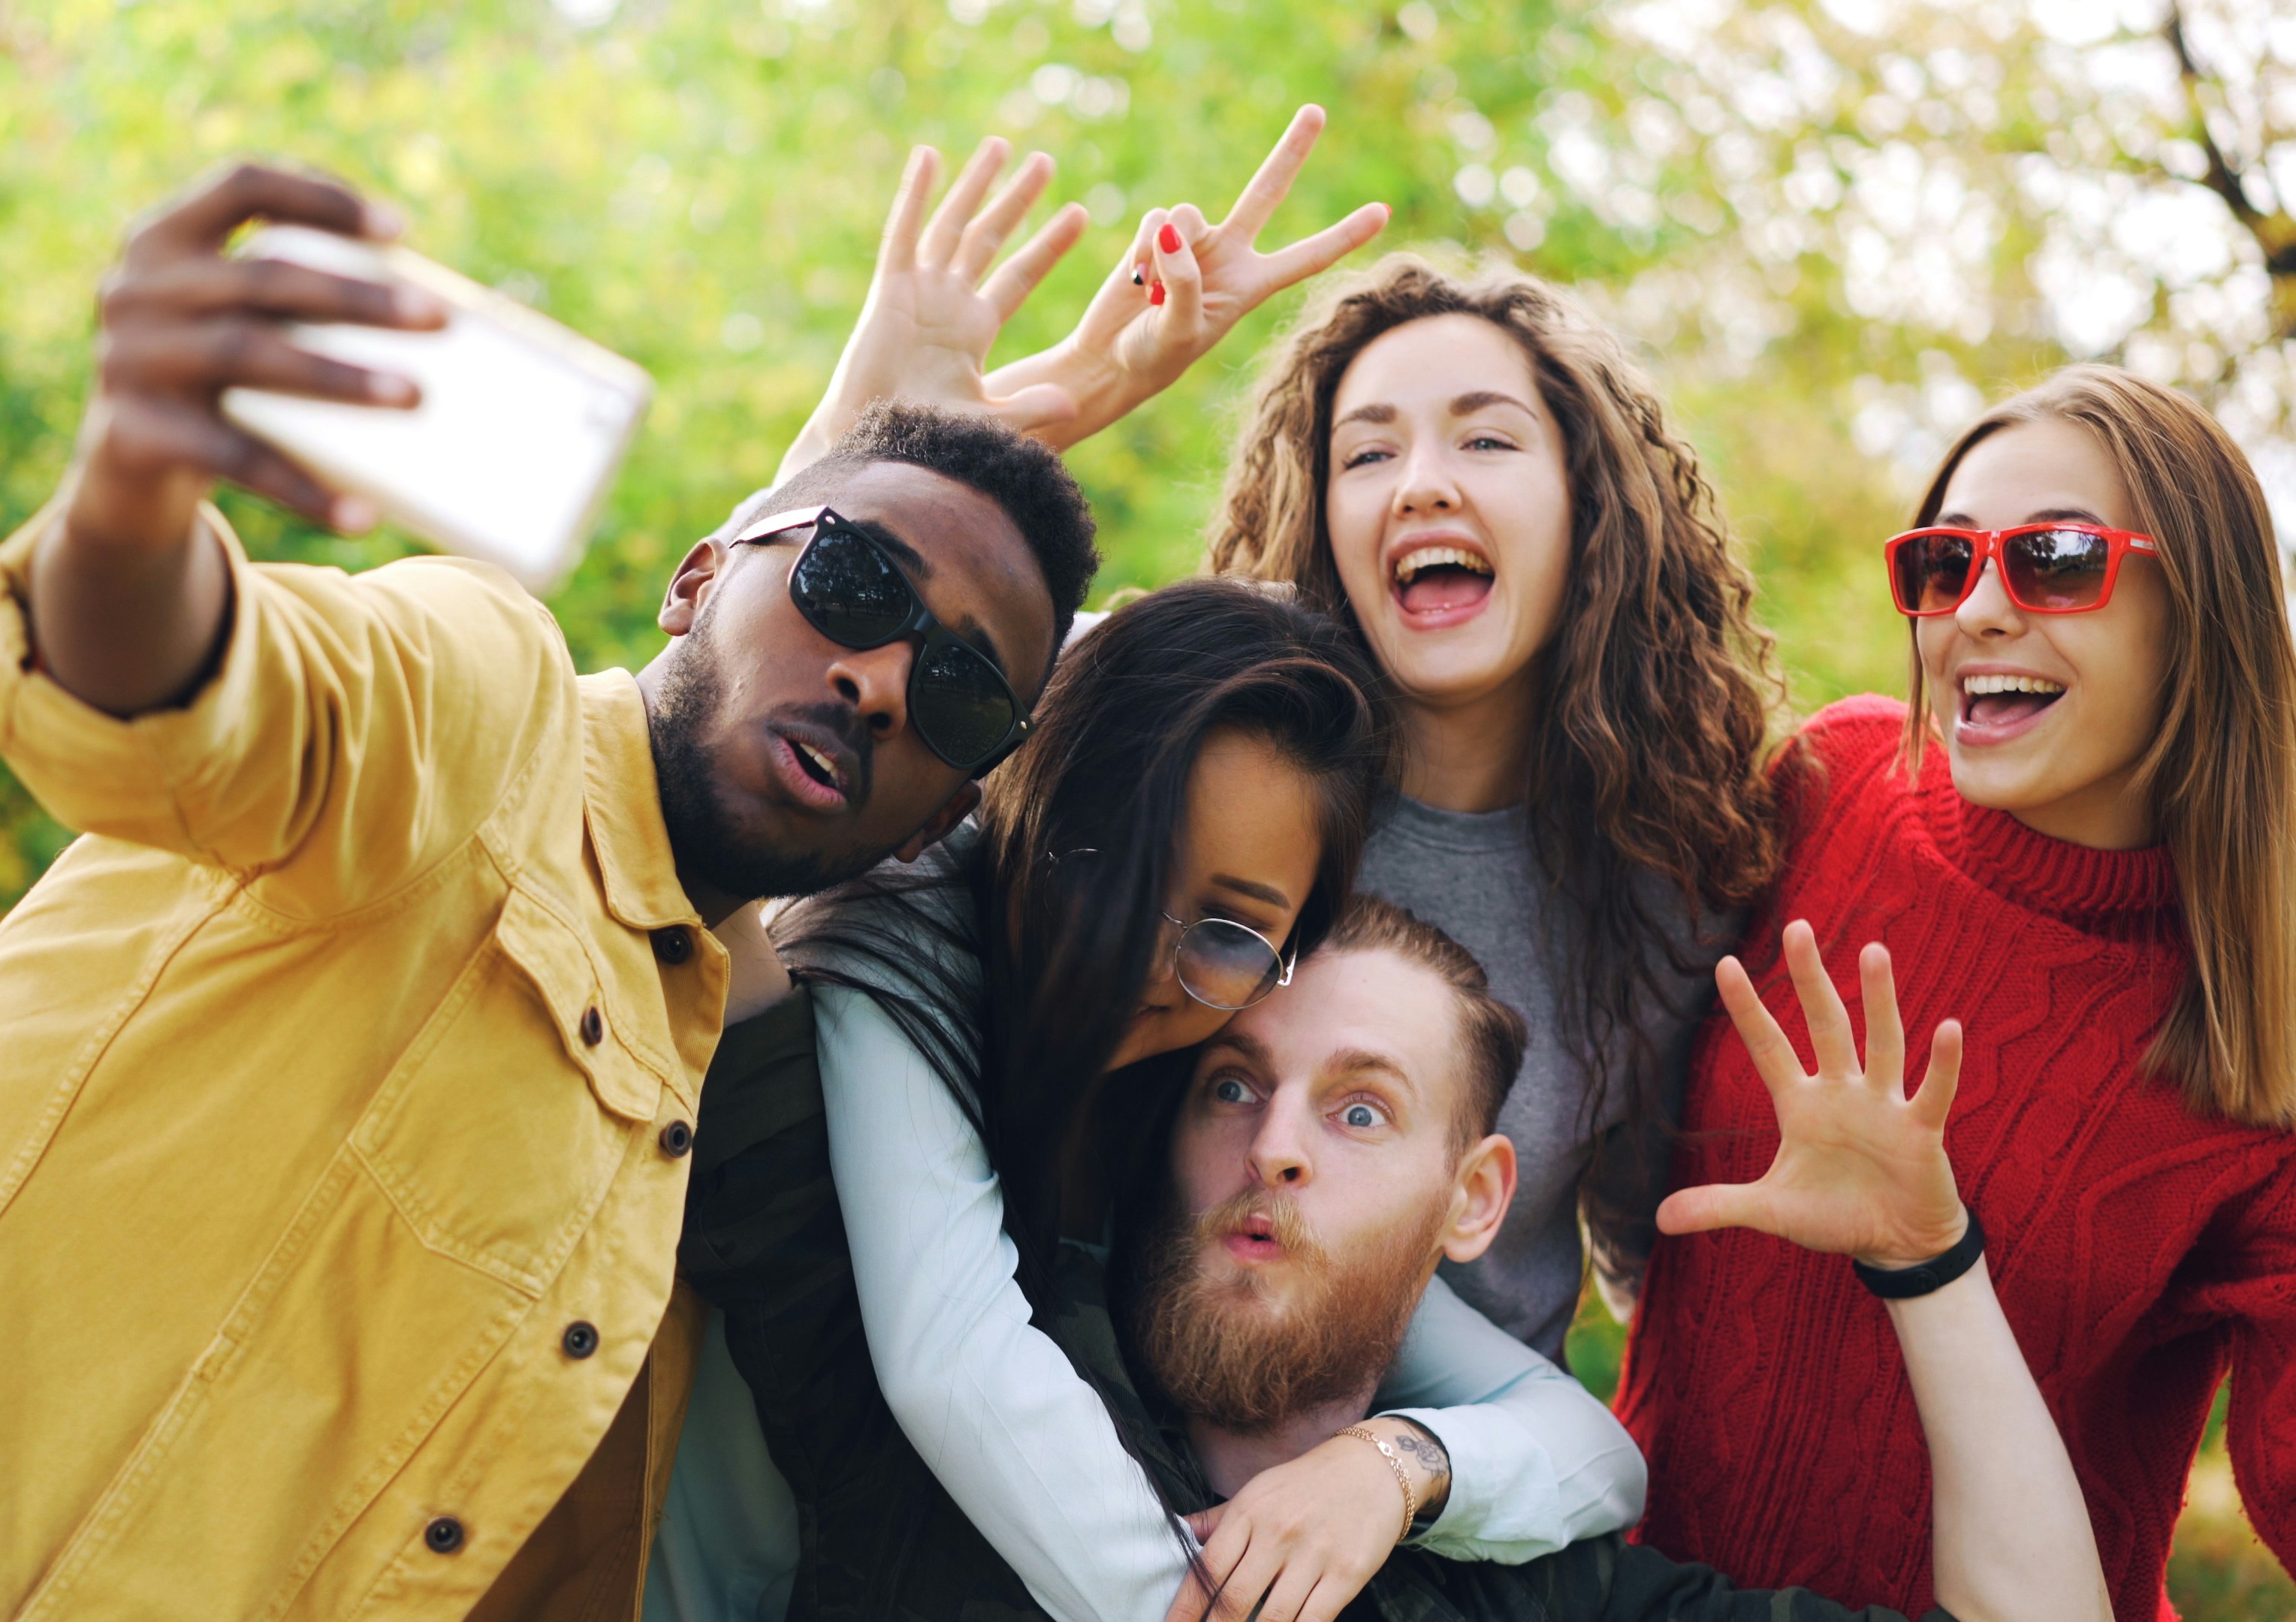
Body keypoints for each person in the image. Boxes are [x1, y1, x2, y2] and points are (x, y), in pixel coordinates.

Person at [0, 161, 1102, 1622]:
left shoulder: (710, 1090)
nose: (886, 680)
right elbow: (185, 695)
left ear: (936, 827)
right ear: (697, 578)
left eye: (963, 693)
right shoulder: (476, 695)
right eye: (853, 584)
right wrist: (129, 491)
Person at [727, 122, 1775, 1617]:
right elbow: (762, 692)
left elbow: (1624, 1336)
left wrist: (1417, 1468)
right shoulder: (1156, 739)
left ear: (1589, 506)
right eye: (1367, 449)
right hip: (1108, 1465)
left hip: (1427, 1504)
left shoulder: (1666, 865)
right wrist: (909, 428)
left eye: (1485, 437)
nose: (1421, 483)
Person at [690, 886, 2112, 1622]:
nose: (1280, 1145)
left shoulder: (1543, 1592)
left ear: (1476, 1200)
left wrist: (1930, 1259)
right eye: (1232, 1085)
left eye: (1361, 1107)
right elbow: (743, 910)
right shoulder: (928, 1407)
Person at [653, 575, 1648, 1622]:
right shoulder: (891, 954)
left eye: (1228, 931)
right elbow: (952, 1367)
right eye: (1103, 869)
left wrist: (1390, 1468)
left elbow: (1587, 1451)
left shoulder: (1209, 1107)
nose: (1131, 959)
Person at [1615, 366, 2296, 1620]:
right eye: (1945, 563)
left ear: (2199, 612)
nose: (1977, 609)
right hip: (1640, 1593)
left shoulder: (2259, 1028)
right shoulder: (1830, 777)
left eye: (2052, 559)